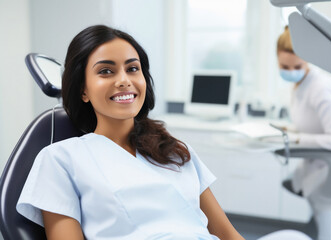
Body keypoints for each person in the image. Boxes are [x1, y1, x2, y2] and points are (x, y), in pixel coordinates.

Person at [16, 25, 245, 240]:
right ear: (82, 90)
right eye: (106, 71)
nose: (124, 80)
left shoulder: (175, 150)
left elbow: (229, 235)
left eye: (132, 69)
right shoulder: (59, 160)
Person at [276, 26, 331, 240]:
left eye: (297, 66)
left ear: (307, 61)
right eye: (284, 66)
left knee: (323, 222)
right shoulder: (299, 84)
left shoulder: (321, 89)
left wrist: (296, 139)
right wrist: (289, 131)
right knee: (319, 222)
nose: (290, 70)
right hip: (316, 164)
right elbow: (312, 125)